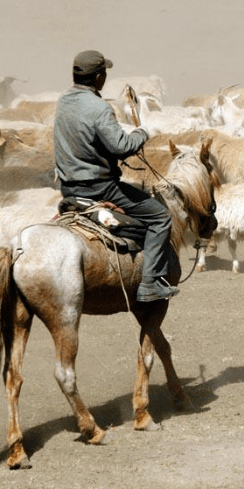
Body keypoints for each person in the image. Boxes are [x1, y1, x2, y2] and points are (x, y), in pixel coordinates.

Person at [53, 49, 178, 302]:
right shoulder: (99, 107)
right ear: (99, 76)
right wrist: (142, 132)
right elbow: (122, 147)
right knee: (161, 217)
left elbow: (88, 138)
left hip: (68, 188)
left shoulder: (63, 100)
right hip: (100, 189)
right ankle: (151, 284)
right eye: (105, 72)